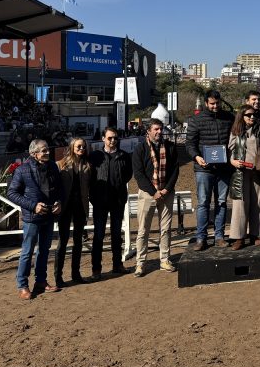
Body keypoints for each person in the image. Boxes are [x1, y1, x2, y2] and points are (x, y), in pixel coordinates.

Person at [7, 139, 63, 300]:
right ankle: (22, 285)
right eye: (43, 150)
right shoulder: (22, 170)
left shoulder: (52, 166)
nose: (47, 152)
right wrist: (33, 206)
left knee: (44, 251)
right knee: (27, 252)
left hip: (49, 214)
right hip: (32, 217)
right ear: (34, 153)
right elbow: (12, 193)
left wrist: (59, 202)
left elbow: (59, 188)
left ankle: (41, 281)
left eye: (47, 150)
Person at [186, 89, 234, 251]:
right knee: (203, 203)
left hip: (224, 169)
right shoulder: (196, 120)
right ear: (206, 103)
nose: (215, 106)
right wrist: (197, 157)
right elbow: (190, 144)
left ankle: (219, 236)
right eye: (212, 104)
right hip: (203, 169)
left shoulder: (228, 118)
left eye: (217, 103)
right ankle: (201, 238)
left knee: (221, 203)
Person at [228, 105, 260, 250]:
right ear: (242, 116)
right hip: (241, 172)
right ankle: (239, 237)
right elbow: (230, 149)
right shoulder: (236, 131)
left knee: (257, 203)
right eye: (248, 115)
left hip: (258, 171)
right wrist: (232, 161)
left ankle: (255, 234)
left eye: (253, 115)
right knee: (240, 204)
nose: (252, 117)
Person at [132, 118, 179, 277]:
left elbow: (175, 170)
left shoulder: (171, 147)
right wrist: (154, 192)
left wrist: (166, 189)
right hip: (147, 193)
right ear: (148, 131)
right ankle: (140, 262)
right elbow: (138, 174)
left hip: (166, 192)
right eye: (156, 129)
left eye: (161, 129)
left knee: (165, 228)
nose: (159, 132)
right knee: (143, 229)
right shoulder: (140, 149)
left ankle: (165, 259)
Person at [89, 128, 133, 279]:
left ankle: (117, 264)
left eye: (115, 138)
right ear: (103, 139)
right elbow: (90, 177)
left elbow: (128, 175)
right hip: (100, 202)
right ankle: (96, 269)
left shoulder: (124, 156)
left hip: (117, 201)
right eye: (109, 138)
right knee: (99, 235)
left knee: (116, 234)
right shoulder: (95, 156)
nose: (112, 141)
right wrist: (94, 196)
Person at [55, 137, 91, 287]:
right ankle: (58, 276)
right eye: (78, 146)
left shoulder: (87, 166)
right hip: (65, 208)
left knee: (78, 242)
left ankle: (76, 273)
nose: (81, 149)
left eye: (83, 146)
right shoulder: (60, 165)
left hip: (80, 207)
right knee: (62, 242)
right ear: (71, 148)